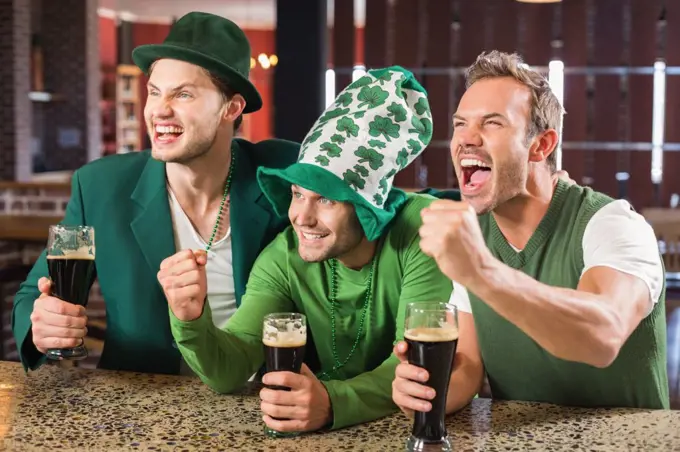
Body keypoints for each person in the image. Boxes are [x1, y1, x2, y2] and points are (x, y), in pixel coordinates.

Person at [163, 67, 456, 432]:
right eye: (298, 194)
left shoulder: (422, 233)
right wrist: (190, 319)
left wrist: (333, 403)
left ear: (365, 208)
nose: (301, 217)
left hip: (435, 430)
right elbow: (229, 371)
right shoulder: (284, 255)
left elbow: (417, 368)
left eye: (326, 200)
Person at [12, 11, 299, 375]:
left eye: (183, 94)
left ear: (232, 107)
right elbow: (30, 298)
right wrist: (42, 325)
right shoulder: (101, 187)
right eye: (154, 92)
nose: (159, 110)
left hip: (264, 401)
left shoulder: (282, 176)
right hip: (142, 404)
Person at [392, 50, 669, 416]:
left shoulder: (612, 223)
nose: (466, 139)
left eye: (492, 123)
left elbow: (603, 334)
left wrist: (481, 271)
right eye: (460, 124)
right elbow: (469, 368)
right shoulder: (476, 236)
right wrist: (424, 392)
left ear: (541, 145)